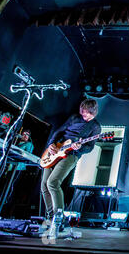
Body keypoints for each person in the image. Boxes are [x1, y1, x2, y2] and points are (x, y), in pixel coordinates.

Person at [41, 99, 101, 238]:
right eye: (82, 113)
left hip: (71, 155)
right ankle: (51, 218)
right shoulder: (74, 118)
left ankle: (58, 217)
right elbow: (58, 131)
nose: (84, 116)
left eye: (86, 114)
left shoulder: (96, 127)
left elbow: (90, 147)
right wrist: (51, 144)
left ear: (93, 112)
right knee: (44, 185)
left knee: (53, 183)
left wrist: (80, 147)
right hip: (55, 151)